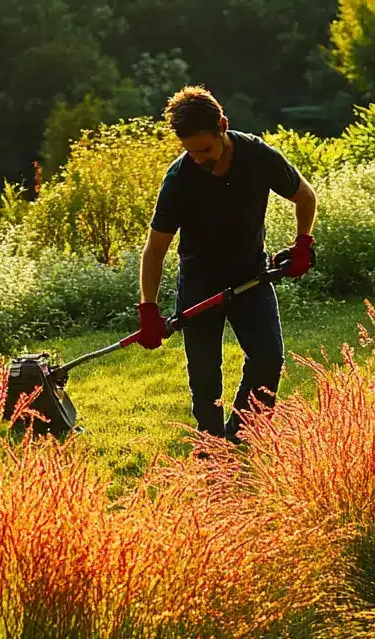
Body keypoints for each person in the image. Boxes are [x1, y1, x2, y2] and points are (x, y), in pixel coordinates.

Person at [135, 85, 318, 445]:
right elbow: (154, 250)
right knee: (204, 375)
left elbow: (305, 196)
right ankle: (210, 446)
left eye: (205, 149)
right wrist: (148, 310)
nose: (200, 159)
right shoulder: (179, 180)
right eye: (191, 152)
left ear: (222, 125)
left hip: (250, 273)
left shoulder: (258, 156)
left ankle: (241, 437)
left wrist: (302, 245)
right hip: (199, 279)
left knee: (268, 358)